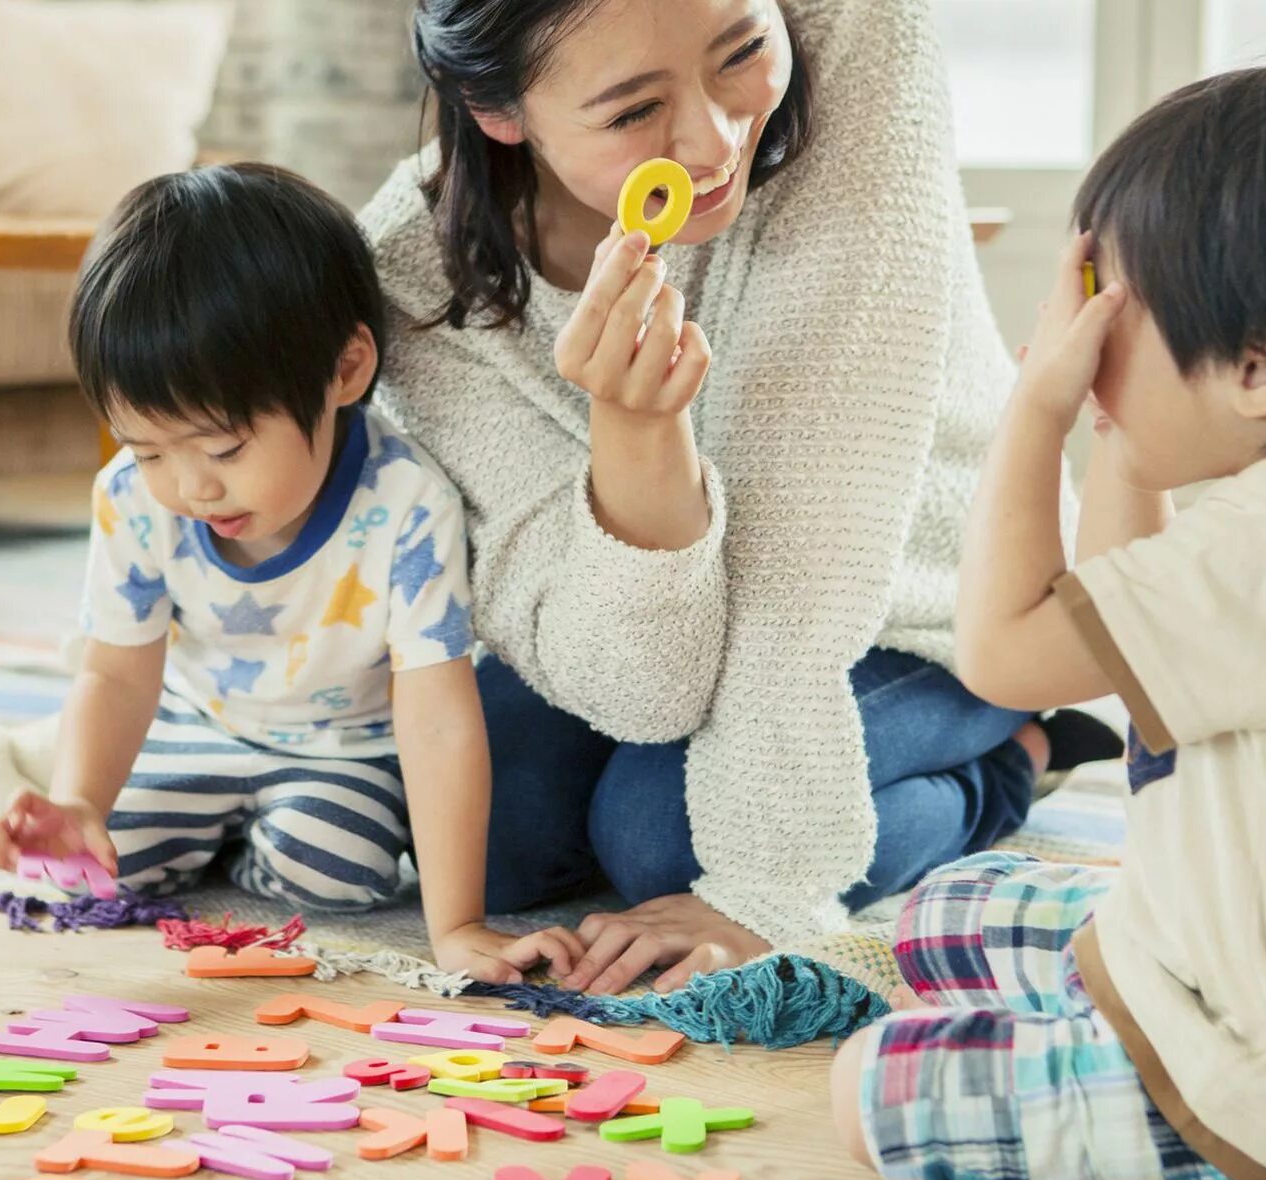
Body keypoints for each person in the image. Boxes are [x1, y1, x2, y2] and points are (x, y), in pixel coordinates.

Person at [832, 65, 1266, 1180]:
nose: (1083, 329)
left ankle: (1102, 1092)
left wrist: (1037, 410)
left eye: (1112, 298)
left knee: (864, 1086)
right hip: (1235, 982)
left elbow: (1003, 653)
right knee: (952, 909)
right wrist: (1129, 443)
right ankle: (1078, 1044)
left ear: (1258, 369)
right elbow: (1111, 606)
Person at [359, 0, 1120, 998]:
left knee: (664, 839)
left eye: (743, 53)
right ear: (497, 110)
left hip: (921, 592)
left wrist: (766, 884)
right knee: (481, 826)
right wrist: (636, 439)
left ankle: (1009, 754)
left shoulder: (855, 42)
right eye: (634, 111)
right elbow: (643, 688)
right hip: (676, 630)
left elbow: (806, 527)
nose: (716, 140)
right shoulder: (414, 272)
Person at [0, 162, 579, 985]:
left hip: (345, 745)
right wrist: (79, 801)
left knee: (337, 871)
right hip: (198, 723)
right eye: (147, 448)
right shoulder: (132, 500)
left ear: (346, 371)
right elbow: (115, 673)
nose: (192, 486)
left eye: (223, 448)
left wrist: (457, 925)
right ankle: (124, 791)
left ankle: (254, 832)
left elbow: (435, 713)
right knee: (110, 859)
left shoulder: (405, 504)